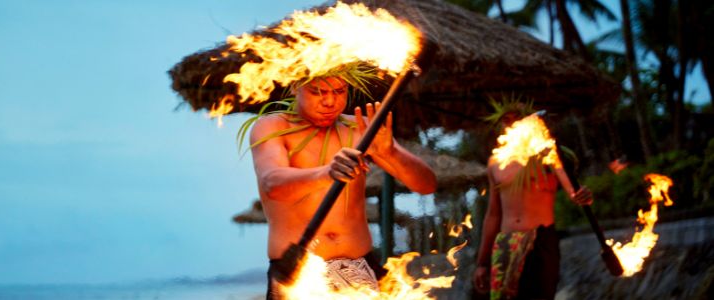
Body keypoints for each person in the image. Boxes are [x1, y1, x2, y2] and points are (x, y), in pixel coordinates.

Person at [247, 76, 436, 299]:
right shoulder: (274, 127)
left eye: (339, 91)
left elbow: (426, 185)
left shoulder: (360, 128)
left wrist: (389, 153)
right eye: (318, 92)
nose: (330, 102)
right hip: (301, 270)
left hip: (359, 267)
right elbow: (272, 183)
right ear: (296, 86)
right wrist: (327, 173)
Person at [472, 107, 593, 300]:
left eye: (516, 118)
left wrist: (582, 195)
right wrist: (482, 262)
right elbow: (493, 214)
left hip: (541, 242)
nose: (511, 123)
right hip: (505, 243)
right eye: (506, 119)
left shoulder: (547, 154)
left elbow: (573, 191)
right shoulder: (495, 162)